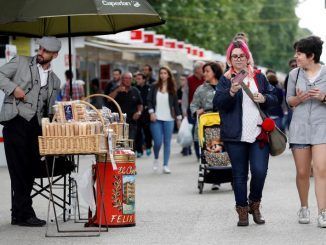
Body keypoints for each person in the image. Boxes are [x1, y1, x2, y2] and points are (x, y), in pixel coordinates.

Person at [213, 40, 277, 227]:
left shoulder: (258, 76)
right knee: (239, 176)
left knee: (259, 171)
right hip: (235, 135)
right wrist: (231, 92)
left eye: (242, 55)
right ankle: (242, 211)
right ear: (230, 59)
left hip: (259, 133)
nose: (239, 59)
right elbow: (219, 103)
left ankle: (254, 204)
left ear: (247, 57)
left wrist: (264, 97)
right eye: (235, 56)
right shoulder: (226, 79)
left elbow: (274, 98)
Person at [0, 36, 62, 227]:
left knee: (30, 169)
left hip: (35, 127)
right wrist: (14, 88)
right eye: (40, 49)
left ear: (55, 55)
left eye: (46, 51)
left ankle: (19, 212)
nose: (41, 53)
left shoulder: (55, 81)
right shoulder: (20, 61)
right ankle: (25, 213)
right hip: (15, 121)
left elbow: (49, 108)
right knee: (18, 169)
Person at [286, 36, 326, 228]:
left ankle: (323, 212)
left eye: (300, 53)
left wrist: (323, 97)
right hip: (299, 128)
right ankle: (304, 207)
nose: (296, 57)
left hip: (322, 127)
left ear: (311, 55)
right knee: (302, 172)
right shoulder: (294, 74)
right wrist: (299, 99)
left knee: (321, 169)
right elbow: (288, 101)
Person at [190, 62, 223, 190]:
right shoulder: (201, 89)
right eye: (204, 71)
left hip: (225, 124)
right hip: (209, 125)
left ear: (214, 72)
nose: (204, 74)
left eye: (207, 71)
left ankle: (227, 175)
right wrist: (196, 111)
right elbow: (193, 105)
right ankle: (216, 179)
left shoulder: (224, 86)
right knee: (214, 149)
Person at [147, 66, 182, 174]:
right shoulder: (154, 86)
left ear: (168, 75)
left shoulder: (172, 88)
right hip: (156, 118)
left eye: (165, 73)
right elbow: (149, 100)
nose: (163, 75)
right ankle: (156, 158)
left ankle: (165, 165)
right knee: (157, 142)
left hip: (169, 119)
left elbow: (176, 105)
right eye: (161, 73)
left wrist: (179, 118)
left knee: (167, 143)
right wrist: (151, 112)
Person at [108, 72, 143, 144]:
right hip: (118, 123)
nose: (128, 80)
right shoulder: (115, 89)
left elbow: (140, 104)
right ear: (122, 79)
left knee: (130, 143)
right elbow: (108, 99)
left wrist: (139, 112)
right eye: (126, 78)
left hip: (132, 122)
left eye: (130, 78)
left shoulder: (135, 90)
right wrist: (117, 91)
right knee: (119, 144)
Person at [181, 61, 205, 161]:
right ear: (197, 69)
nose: (204, 70)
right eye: (202, 68)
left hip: (205, 109)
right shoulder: (189, 80)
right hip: (193, 110)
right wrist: (184, 110)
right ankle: (197, 153)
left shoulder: (206, 78)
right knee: (195, 131)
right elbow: (185, 96)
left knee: (204, 131)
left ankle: (204, 152)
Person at [134, 72, 152, 158]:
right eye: (136, 79)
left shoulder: (149, 88)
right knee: (138, 132)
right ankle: (139, 150)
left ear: (144, 80)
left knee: (147, 131)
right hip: (137, 113)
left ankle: (148, 146)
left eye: (139, 79)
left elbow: (150, 100)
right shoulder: (134, 88)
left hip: (146, 113)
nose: (137, 80)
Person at [178, 74, 191, 156]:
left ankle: (188, 148)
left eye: (183, 79)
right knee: (183, 130)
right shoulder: (178, 90)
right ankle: (185, 148)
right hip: (181, 111)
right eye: (181, 80)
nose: (182, 81)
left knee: (188, 129)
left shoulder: (187, 89)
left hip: (187, 111)